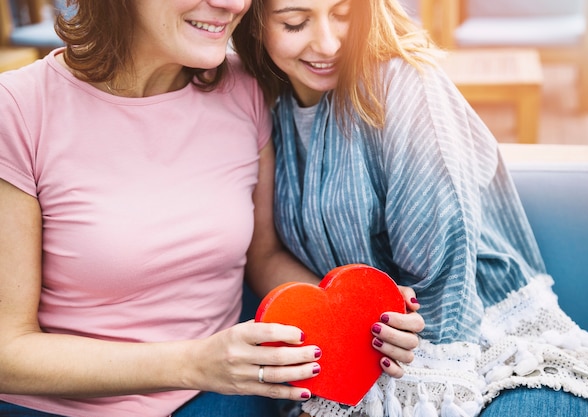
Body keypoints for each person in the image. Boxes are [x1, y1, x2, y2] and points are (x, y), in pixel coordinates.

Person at [0, 0, 425, 416]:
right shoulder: (19, 108)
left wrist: (358, 320)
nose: (233, 4)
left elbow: (262, 257)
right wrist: (195, 364)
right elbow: (7, 353)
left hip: (223, 397)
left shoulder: (243, 88)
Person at [231, 0, 588, 415]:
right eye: (295, 23)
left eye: (344, 14)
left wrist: (390, 335)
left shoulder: (404, 83)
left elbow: (443, 291)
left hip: (496, 354)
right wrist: (345, 322)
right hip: (366, 360)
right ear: (255, 24)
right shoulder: (268, 106)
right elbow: (267, 255)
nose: (328, 44)